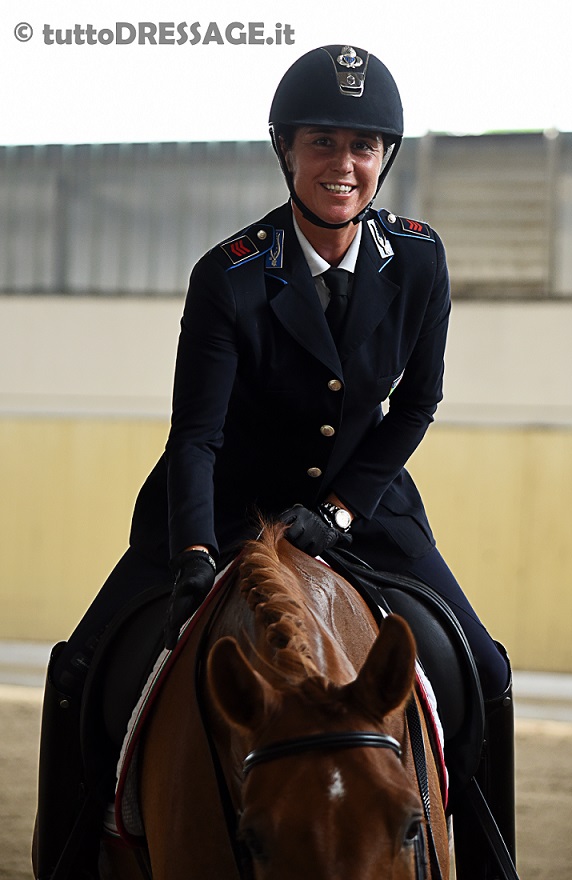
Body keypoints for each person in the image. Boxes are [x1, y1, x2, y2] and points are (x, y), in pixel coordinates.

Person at [34, 44, 515, 879]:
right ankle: (69, 852)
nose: (344, 164)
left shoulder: (421, 258)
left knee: (483, 663)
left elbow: (417, 405)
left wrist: (337, 513)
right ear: (285, 150)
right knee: (78, 666)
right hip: (225, 501)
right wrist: (190, 552)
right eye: (322, 142)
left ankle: (490, 852)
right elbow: (198, 436)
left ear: (384, 159)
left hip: (361, 506)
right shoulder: (230, 275)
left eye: (363, 146)